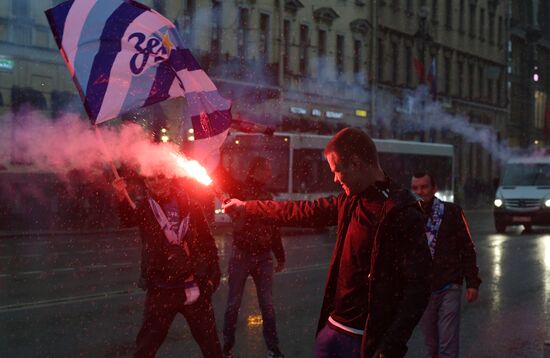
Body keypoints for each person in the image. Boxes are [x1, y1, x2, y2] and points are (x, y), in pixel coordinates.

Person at [223, 128, 432, 358]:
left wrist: (392, 344)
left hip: (366, 341)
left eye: (337, 170)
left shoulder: (401, 211)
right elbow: (301, 211)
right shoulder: (349, 201)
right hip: (333, 330)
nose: (334, 178)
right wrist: (247, 207)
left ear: (355, 163)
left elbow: (419, 286)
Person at [113, 171, 223, 358]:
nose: (156, 182)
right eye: (150, 179)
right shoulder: (145, 207)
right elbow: (127, 219)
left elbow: (207, 243)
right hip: (161, 290)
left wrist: (212, 279)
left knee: (212, 348)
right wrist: (121, 196)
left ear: (170, 178)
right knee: (145, 349)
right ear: (146, 183)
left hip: (194, 287)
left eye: (160, 177)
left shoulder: (190, 205)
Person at [218, 157, 286, 358]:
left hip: (263, 256)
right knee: (233, 305)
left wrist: (279, 255)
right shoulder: (240, 191)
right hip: (242, 254)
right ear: (256, 170)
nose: (269, 173)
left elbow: (274, 229)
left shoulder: (268, 195)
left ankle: (273, 350)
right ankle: (227, 348)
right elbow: (223, 181)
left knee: (267, 305)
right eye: (267, 168)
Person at [411, 172, 481, 358]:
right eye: (416, 188)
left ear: (434, 188)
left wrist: (472, 282)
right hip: (423, 291)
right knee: (431, 345)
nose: (420, 192)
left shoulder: (451, 212)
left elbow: (467, 247)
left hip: (449, 286)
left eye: (424, 187)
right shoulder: (409, 215)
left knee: (447, 345)